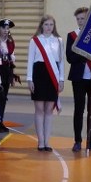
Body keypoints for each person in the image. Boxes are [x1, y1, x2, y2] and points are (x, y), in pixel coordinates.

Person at [66, 7, 91, 153]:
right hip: (78, 78)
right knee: (79, 109)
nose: (80, 21)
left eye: (83, 18)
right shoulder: (72, 36)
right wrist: (85, 53)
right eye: (78, 19)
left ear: (88, 19)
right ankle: (77, 141)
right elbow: (70, 57)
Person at [26, 15, 65, 152]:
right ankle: (40, 141)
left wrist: (61, 79)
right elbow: (30, 61)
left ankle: (47, 141)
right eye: (46, 24)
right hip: (39, 74)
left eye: (51, 25)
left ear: (54, 26)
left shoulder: (59, 41)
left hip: (53, 76)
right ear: (42, 25)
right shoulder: (35, 40)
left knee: (49, 110)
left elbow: (61, 62)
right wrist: (29, 79)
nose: (49, 27)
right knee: (39, 109)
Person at [0, 19, 17, 132]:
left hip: (6, 71)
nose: (6, 30)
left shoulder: (10, 42)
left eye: (7, 28)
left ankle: (0, 121)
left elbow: (12, 57)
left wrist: (12, 74)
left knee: (3, 98)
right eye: (3, 28)